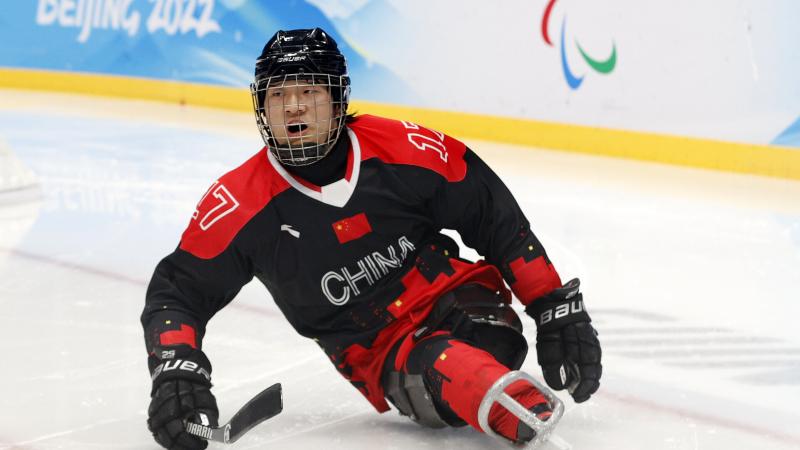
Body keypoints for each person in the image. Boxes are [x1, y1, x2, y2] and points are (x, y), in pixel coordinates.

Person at [141, 27, 602, 450]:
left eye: (309, 92)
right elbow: (177, 293)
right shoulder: (241, 204)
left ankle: (490, 382)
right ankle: (505, 398)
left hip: (462, 303)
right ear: (261, 108)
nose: (294, 107)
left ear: (338, 100)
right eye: (278, 95)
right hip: (380, 350)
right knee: (439, 362)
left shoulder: (405, 149)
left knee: (482, 342)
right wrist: (178, 372)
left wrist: (552, 307)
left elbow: (493, 216)